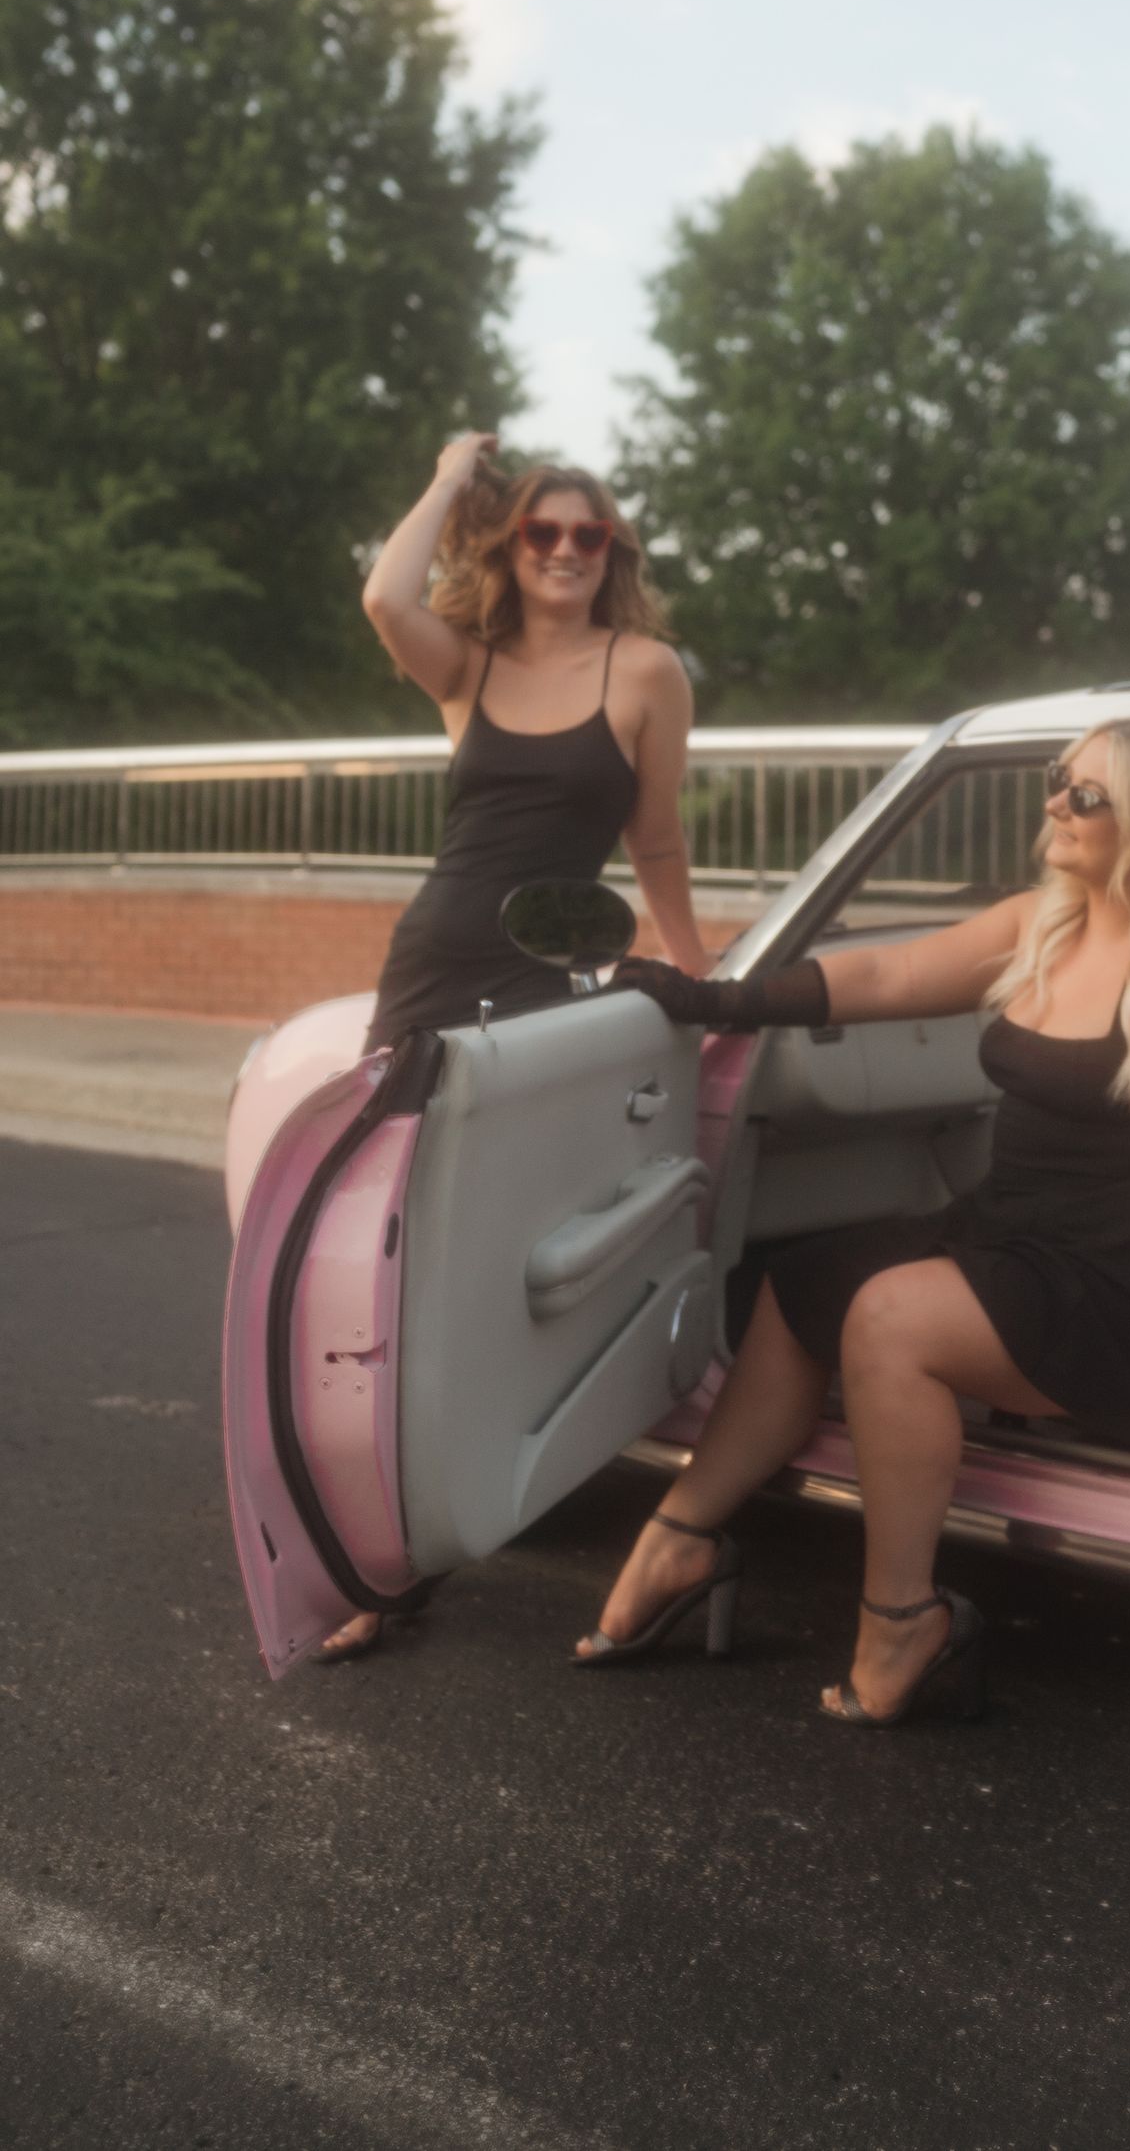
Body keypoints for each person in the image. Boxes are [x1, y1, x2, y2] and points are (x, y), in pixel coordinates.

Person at [580, 716, 1130, 1727]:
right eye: (1057, 781)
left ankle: (905, 1618)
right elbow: (891, 977)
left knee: (890, 1317)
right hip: (1012, 1236)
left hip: (1126, 1292)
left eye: (1087, 795)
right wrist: (712, 999)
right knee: (804, 1283)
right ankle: (682, 1534)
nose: (1055, 805)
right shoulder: (1046, 922)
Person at [324, 430, 710, 1660]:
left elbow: (655, 842)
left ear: (612, 554)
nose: (561, 551)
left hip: (551, 988)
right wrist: (446, 474)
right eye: (540, 532)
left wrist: (697, 969)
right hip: (436, 963)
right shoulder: (467, 667)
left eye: (585, 535)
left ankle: (486, 1486)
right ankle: (376, 1557)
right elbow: (385, 593)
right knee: (391, 1250)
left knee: (508, 1257)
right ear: (511, 546)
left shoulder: (646, 671)